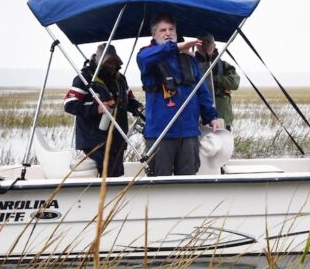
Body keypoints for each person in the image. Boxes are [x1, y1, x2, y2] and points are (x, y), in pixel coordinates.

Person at [136, 13, 225, 176]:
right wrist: (177, 47)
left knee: (188, 181)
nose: (168, 33)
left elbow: (201, 91)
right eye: (163, 30)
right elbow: (144, 59)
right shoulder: (146, 55)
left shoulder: (189, 59)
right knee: (159, 182)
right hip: (160, 133)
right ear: (154, 34)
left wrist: (211, 116)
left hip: (189, 132)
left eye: (171, 29)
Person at [63, 43, 142, 177]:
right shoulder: (84, 78)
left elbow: (129, 101)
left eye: (114, 62)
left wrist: (139, 108)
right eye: (108, 62)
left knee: (115, 173)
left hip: (118, 137)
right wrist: (96, 108)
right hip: (94, 140)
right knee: (107, 173)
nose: (111, 65)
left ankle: (114, 196)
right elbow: (69, 104)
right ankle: (104, 196)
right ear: (99, 61)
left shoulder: (121, 79)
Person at [195, 32, 240, 130]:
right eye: (202, 43)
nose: (205, 46)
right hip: (198, 112)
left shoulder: (224, 66)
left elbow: (234, 83)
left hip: (221, 113)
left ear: (214, 45)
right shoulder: (190, 64)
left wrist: (214, 78)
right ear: (196, 45)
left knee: (222, 143)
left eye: (208, 43)